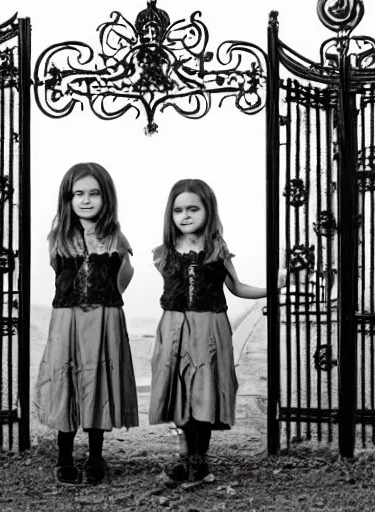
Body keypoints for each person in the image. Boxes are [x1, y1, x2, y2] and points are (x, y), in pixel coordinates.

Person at [149, 178, 286, 482]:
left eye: (193, 209)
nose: (185, 216)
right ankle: (184, 459)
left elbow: (236, 288)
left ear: (208, 211)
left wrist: (273, 288)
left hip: (210, 328)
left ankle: (200, 460)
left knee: (205, 389)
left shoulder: (217, 250)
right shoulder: (163, 253)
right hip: (175, 329)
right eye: (178, 210)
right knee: (181, 391)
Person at [34, 162, 139, 485]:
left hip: (104, 319)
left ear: (106, 198)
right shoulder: (58, 238)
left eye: (94, 193)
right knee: (65, 380)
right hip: (66, 319)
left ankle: (96, 456)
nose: (86, 200)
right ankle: (64, 456)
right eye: (78, 193)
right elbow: (59, 272)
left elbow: (125, 275)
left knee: (99, 382)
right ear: (67, 199)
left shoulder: (116, 238)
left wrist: (104, 300)